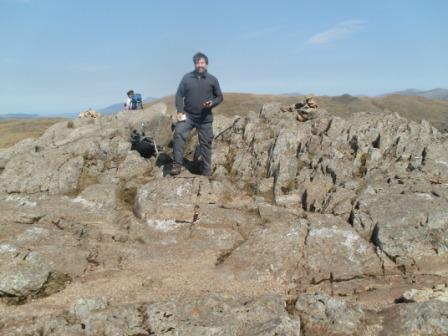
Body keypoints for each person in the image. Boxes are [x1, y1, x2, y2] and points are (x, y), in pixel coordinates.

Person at [170, 52, 223, 176]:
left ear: (206, 64)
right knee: (178, 134)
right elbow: (179, 95)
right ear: (195, 64)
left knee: (205, 143)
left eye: (202, 63)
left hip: (205, 118)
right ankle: (177, 165)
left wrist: (212, 103)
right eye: (198, 63)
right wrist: (180, 110)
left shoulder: (212, 79)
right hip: (188, 116)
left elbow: (220, 97)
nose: (200, 65)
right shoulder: (186, 78)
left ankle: (206, 170)